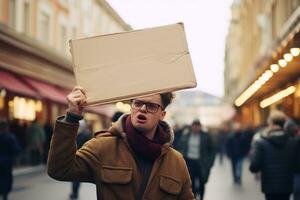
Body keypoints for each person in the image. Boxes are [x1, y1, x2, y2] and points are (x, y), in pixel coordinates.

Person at [47, 86, 195, 200]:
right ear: (131, 107)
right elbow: (59, 170)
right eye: (138, 103)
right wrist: (72, 118)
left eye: (151, 106)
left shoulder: (176, 162)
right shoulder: (103, 147)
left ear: (162, 115)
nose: (143, 109)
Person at [249, 110, 299, 200]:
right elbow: (296, 166)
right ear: (284, 123)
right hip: (286, 186)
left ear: (271, 123)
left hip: (269, 187)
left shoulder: (261, 142)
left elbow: (254, 167)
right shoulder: (293, 142)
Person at [178, 119, 215, 200]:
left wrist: (210, 163)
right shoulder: (186, 135)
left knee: (202, 182)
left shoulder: (205, 136)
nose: (195, 128)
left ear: (200, 127)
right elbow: (180, 147)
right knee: (191, 183)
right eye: (194, 126)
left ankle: (201, 197)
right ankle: (194, 197)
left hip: (201, 163)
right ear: (192, 127)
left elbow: (212, 150)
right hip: (189, 162)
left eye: (197, 126)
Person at [69, 119, 92, 199]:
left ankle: (74, 192)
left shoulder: (85, 135)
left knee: (76, 177)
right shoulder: (76, 134)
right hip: (75, 157)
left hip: (80, 158)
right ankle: (74, 192)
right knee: (75, 177)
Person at [0, 119, 20, 200]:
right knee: (7, 179)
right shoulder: (10, 137)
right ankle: (5, 194)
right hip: (7, 162)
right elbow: (16, 149)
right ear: (7, 127)